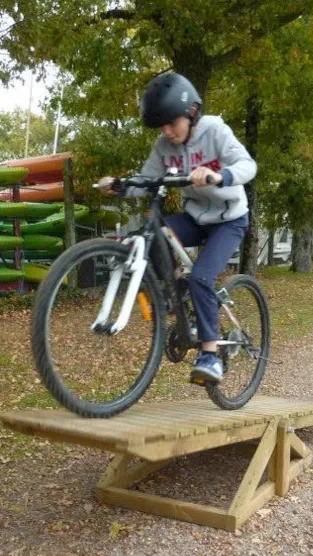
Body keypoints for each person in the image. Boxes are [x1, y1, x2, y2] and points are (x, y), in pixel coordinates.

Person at [98, 72, 257, 386]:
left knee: (202, 277)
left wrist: (219, 176)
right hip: (196, 217)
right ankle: (178, 287)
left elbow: (247, 165)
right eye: (161, 127)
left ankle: (210, 356)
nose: (167, 132)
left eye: (172, 123)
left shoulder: (214, 130)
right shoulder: (163, 146)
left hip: (229, 220)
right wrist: (118, 185)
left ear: (191, 112)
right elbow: (146, 181)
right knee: (152, 235)